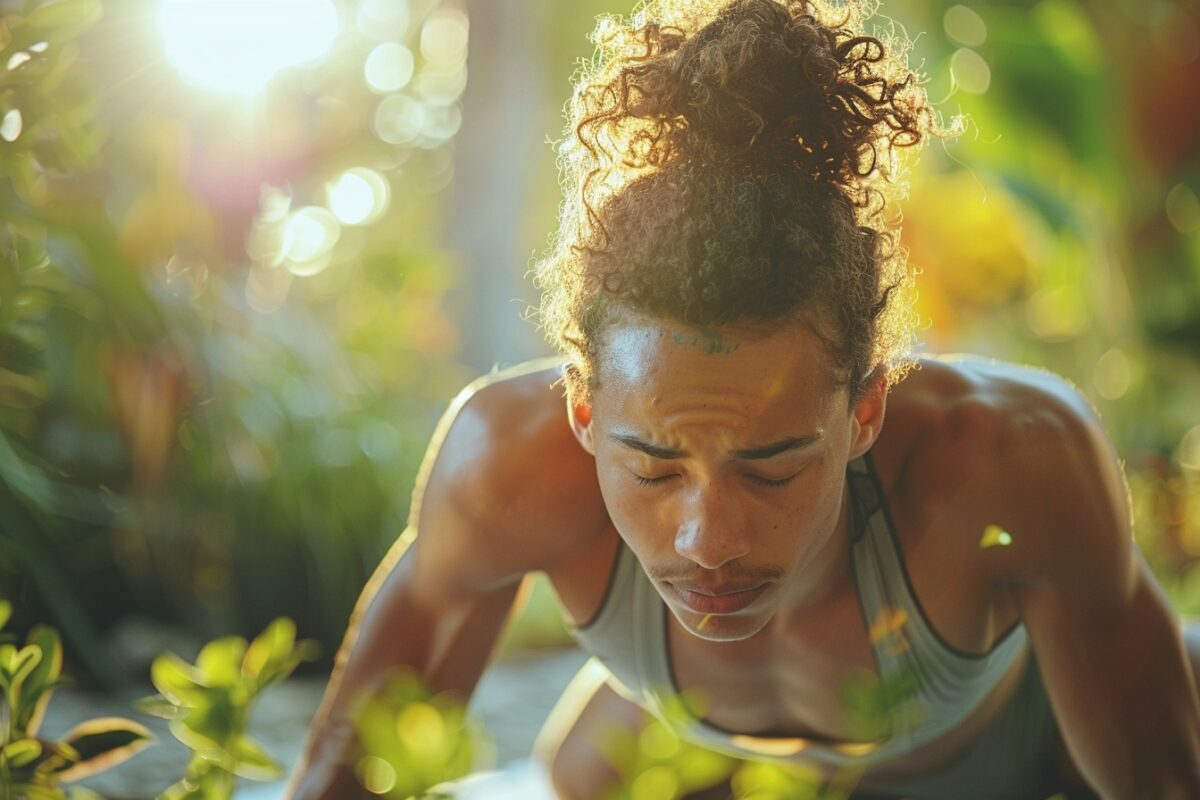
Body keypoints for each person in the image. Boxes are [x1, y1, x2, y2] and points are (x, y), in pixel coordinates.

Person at [286, 0, 1200, 797]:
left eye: (772, 469)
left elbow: (1161, 783)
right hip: (703, 752)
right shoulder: (503, 469)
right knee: (577, 778)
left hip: (1001, 758)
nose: (707, 542)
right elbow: (341, 773)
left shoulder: (1014, 458)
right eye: (651, 468)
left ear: (865, 412)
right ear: (584, 415)